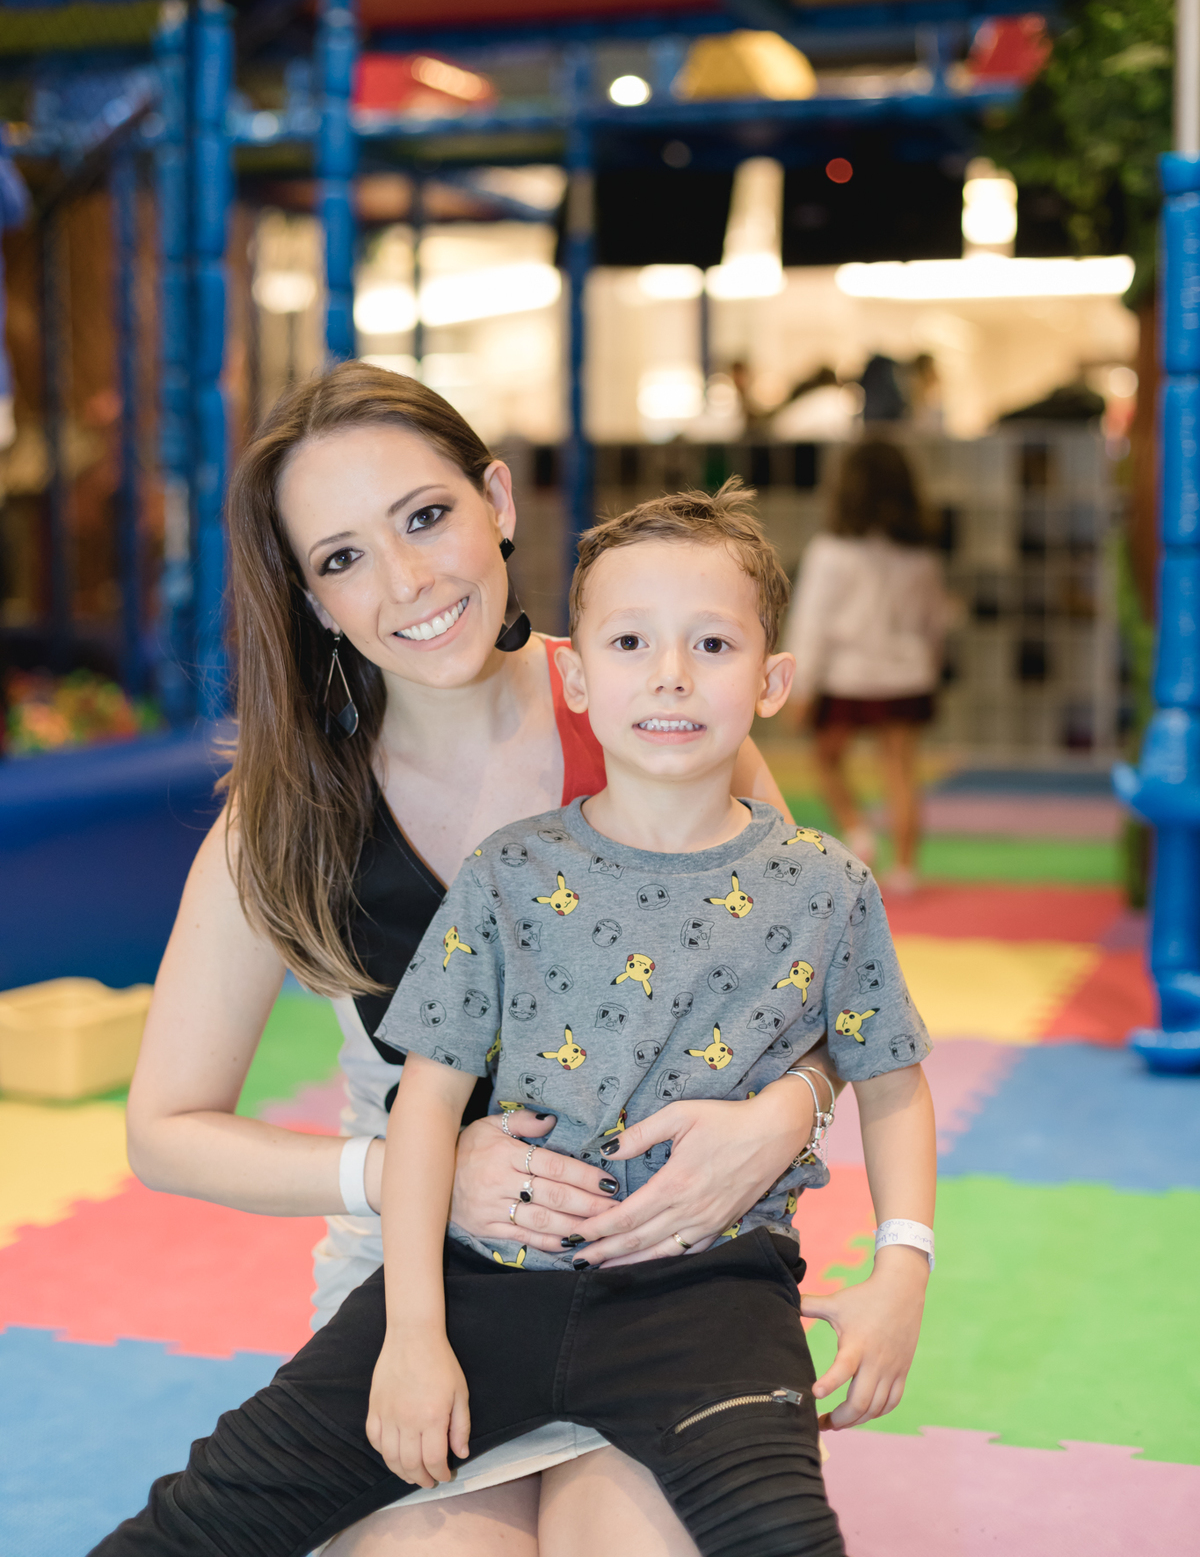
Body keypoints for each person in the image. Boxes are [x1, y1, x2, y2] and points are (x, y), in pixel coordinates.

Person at [93, 478, 936, 1557]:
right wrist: (416, 1282)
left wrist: (820, 1151)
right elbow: (396, 1106)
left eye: (423, 516)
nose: (671, 673)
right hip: (458, 1275)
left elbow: (859, 1040)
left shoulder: (793, 851)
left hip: (699, 1285)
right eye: (342, 557)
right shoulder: (480, 867)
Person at [784, 440, 952, 895]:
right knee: (901, 770)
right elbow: (936, 622)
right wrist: (929, 668)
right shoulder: (921, 555)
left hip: (848, 678)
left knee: (826, 759)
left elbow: (811, 624)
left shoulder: (831, 550)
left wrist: (799, 688)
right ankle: (905, 868)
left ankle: (858, 831)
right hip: (905, 676)